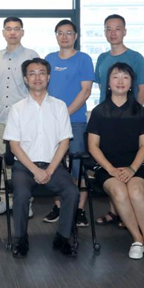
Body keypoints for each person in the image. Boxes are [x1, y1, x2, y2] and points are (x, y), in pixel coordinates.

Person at [5, 58, 78, 258]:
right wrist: (36, 170)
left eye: (41, 73)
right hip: (24, 167)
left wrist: (50, 170)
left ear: (48, 77)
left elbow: (64, 142)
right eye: (32, 73)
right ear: (25, 79)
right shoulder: (17, 108)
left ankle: (62, 237)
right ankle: (21, 239)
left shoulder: (59, 106)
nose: (37, 77)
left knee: (72, 191)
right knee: (21, 193)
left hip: (53, 165)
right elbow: (14, 146)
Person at [86, 62, 144, 260]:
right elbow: (93, 146)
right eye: (115, 77)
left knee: (136, 191)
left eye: (125, 77)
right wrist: (111, 169)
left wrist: (132, 169)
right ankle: (137, 239)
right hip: (106, 168)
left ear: (131, 83)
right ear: (108, 83)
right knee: (119, 191)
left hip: (135, 166)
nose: (120, 81)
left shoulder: (140, 111)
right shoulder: (99, 111)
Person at [92, 14, 144, 226]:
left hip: (129, 120)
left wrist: (131, 116)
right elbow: (101, 87)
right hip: (106, 119)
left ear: (124, 31)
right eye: (108, 29)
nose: (113, 33)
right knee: (110, 162)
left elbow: (142, 88)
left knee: (127, 164)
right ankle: (115, 211)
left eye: (117, 28)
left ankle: (129, 214)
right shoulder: (101, 58)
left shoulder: (136, 57)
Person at [44, 20, 91, 227]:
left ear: (76, 36)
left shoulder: (83, 59)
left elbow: (86, 91)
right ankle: (59, 207)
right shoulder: (49, 59)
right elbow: (43, 89)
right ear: (56, 36)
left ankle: (79, 210)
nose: (64, 37)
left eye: (69, 33)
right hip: (50, 123)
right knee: (54, 165)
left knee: (77, 167)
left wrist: (64, 114)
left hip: (75, 122)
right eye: (60, 33)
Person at [0, 17, 39, 216]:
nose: (12, 32)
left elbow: (37, 85)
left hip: (24, 119)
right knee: (0, 162)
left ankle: (26, 201)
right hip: (0, 117)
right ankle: (5, 200)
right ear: (3, 32)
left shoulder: (32, 55)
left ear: (22, 32)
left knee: (25, 160)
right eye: (8, 29)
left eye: (16, 29)